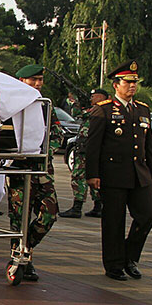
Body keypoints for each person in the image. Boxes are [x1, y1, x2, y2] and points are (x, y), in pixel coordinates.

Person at [84, 60, 152, 281]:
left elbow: (149, 146)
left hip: (139, 174)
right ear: (116, 85)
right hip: (113, 175)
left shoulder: (143, 109)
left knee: (147, 216)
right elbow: (93, 146)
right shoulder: (104, 110)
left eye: (135, 82)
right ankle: (114, 264)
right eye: (127, 82)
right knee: (114, 222)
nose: (132, 86)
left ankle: (130, 257)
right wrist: (92, 174)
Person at [5, 64, 60, 283]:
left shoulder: (45, 105)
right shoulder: (10, 106)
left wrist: (46, 150)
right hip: (19, 169)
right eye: (32, 80)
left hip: (42, 169)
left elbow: (55, 132)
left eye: (40, 80)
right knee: (19, 218)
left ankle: (24, 249)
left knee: (49, 214)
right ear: (21, 81)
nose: (37, 84)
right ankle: (21, 259)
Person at [58, 87, 107, 218]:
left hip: (88, 149)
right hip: (87, 148)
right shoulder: (101, 110)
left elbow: (78, 113)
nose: (92, 98)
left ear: (102, 97)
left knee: (79, 177)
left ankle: (77, 207)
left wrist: (74, 102)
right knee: (93, 177)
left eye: (94, 96)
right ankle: (98, 206)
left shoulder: (100, 109)